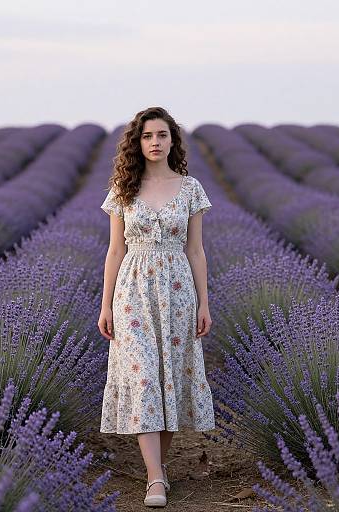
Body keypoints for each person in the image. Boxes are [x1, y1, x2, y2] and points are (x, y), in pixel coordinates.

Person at [97, 106, 215, 508]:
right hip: (132, 291)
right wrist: (106, 305)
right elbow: (114, 251)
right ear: (137, 141)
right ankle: (154, 479)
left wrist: (204, 302)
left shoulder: (191, 188)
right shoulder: (123, 189)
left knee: (170, 379)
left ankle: (158, 470)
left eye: (161, 135)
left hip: (179, 290)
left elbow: (196, 251)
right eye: (147, 136)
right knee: (145, 375)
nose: (154, 143)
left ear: (172, 141)